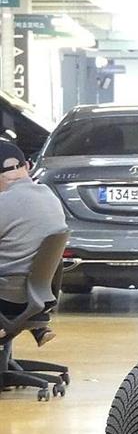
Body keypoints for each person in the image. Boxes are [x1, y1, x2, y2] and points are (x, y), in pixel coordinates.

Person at [0, 140, 68, 345]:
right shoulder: (50, 197)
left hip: (8, 298)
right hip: (37, 296)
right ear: (27, 167)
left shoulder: (4, 203)